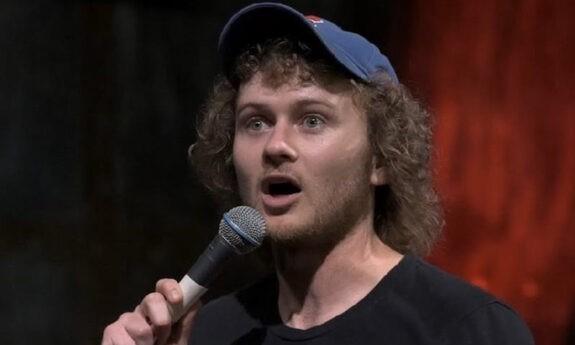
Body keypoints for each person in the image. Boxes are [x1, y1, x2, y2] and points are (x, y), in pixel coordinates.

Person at [101, 3, 534, 345]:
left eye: (312, 120)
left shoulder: (467, 329)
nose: (275, 145)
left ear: (381, 159)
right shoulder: (209, 333)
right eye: (255, 121)